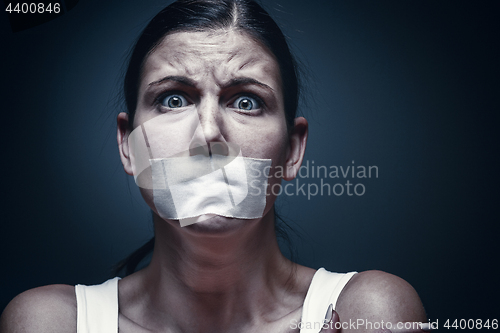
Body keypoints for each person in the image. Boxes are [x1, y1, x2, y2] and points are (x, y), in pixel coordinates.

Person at [0, 0, 429, 332]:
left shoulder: (369, 310)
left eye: (246, 101)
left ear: (293, 150)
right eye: (173, 98)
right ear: (128, 145)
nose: (208, 132)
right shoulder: (51, 321)